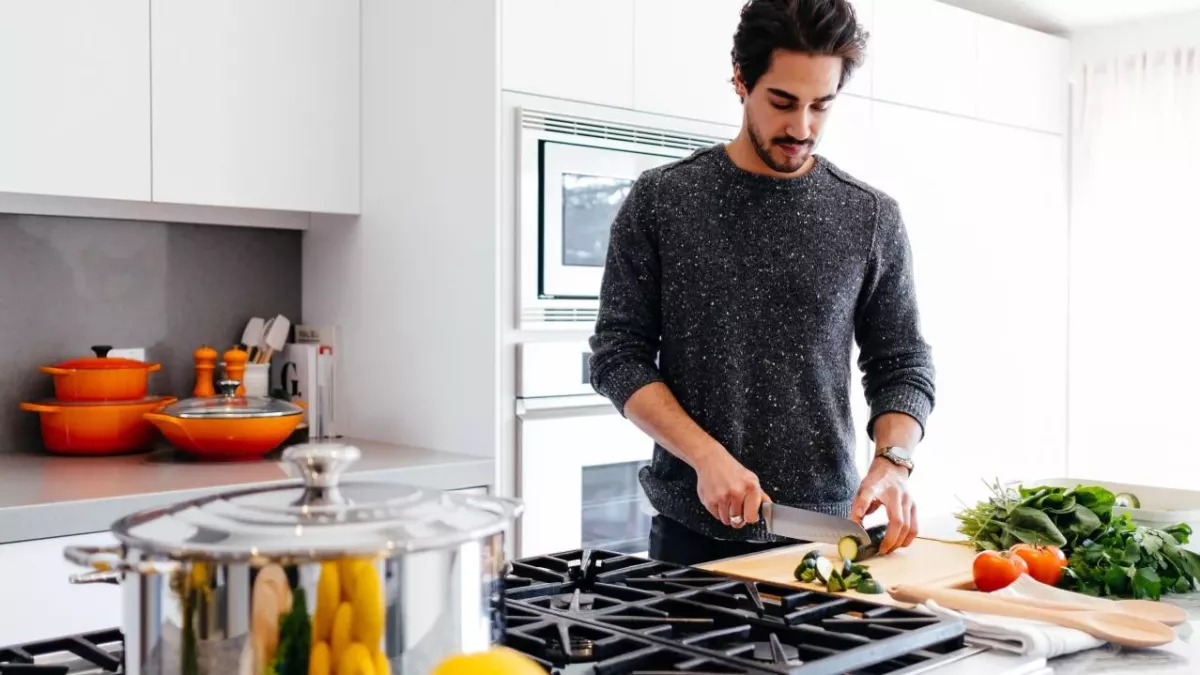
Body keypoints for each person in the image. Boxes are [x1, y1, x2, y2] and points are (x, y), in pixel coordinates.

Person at [587, 0, 935, 567]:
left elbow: (901, 363)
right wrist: (704, 457)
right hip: (689, 540)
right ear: (741, 79)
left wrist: (894, 461)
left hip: (827, 536)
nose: (801, 128)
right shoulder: (663, 201)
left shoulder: (870, 216)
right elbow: (618, 357)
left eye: (821, 105)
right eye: (782, 102)